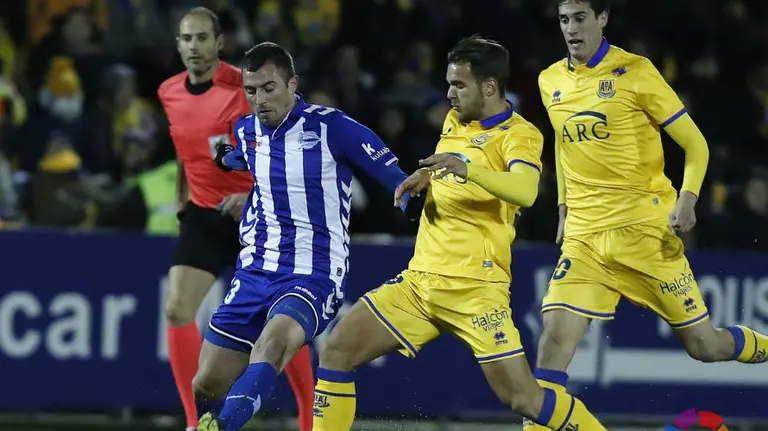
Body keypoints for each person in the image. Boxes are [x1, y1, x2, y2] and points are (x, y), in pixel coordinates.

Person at [311, 35, 607, 431]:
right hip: (419, 283)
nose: (449, 93)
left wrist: (465, 169)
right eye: (449, 83)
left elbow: (525, 190)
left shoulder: (520, 135)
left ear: (489, 87)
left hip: (476, 288)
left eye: (459, 85)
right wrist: (427, 175)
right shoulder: (455, 121)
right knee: (336, 350)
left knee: (523, 398)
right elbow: (453, 165)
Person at [526, 1, 768, 429]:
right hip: (585, 239)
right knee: (553, 344)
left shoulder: (636, 72)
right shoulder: (550, 81)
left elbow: (696, 145)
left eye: (580, 18)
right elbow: (563, 147)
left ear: (602, 18)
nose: (571, 29)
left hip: (646, 233)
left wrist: (688, 198)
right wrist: (564, 210)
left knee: (704, 346)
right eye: (564, 20)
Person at [194, 41, 413, 431]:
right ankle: (214, 420)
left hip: (313, 273)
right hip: (255, 271)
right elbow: (238, 158)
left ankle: (221, 427)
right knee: (207, 381)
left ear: (293, 85)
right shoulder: (248, 132)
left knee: (273, 346)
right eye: (251, 91)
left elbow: (398, 182)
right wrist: (222, 159)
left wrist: (429, 206)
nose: (259, 99)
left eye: (269, 88)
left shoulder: (334, 128)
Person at [156, 8, 313, 431]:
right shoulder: (168, 91)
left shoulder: (243, 85)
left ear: (219, 42)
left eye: (203, 38)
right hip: (205, 217)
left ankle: (310, 422)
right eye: (187, 39)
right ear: (178, 44)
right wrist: (182, 200)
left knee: (281, 319)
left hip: (259, 215)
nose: (195, 47)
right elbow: (185, 147)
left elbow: (283, 137)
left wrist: (254, 193)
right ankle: (194, 422)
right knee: (175, 309)